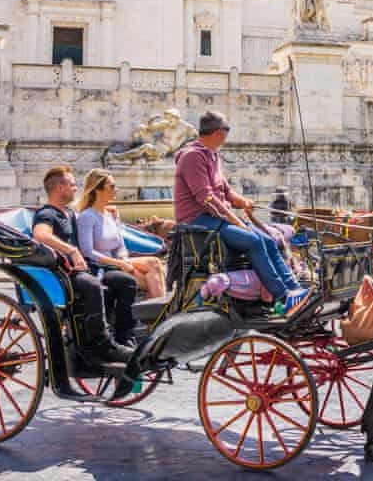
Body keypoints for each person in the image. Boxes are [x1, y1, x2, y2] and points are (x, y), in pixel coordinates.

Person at [174, 111, 312, 317]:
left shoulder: (211, 155)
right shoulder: (192, 156)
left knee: (267, 238)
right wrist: (236, 221)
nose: (227, 136)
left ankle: (293, 289)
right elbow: (206, 198)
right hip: (199, 221)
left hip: (214, 218)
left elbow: (226, 192)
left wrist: (243, 202)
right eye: (227, 131)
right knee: (254, 240)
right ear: (219, 132)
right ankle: (282, 296)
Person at [31, 167, 136, 364]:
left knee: (126, 281)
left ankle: (125, 336)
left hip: (86, 268)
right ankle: (101, 345)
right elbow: (41, 235)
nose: (76, 188)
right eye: (72, 184)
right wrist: (71, 250)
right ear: (59, 188)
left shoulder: (69, 213)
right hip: (65, 273)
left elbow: (92, 217)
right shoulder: (47, 214)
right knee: (93, 286)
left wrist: (110, 212)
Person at [76, 168, 167, 299]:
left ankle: (156, 312)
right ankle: (160, 314)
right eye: (112, 186)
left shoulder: (111, 214)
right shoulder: (86, 216)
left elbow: (120, 245)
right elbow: (87, 251)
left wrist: (123, 258)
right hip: (101, 267)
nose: (116, 189)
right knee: (152, 279)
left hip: (118, 261)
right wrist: (120, 264)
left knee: (155, 263)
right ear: (97, 189)